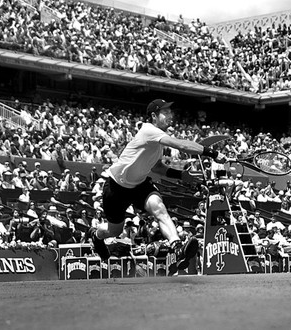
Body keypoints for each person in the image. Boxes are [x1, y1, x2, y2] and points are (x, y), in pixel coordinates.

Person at [88, 99, 224, 273]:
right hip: (116, 187)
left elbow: (158, 167)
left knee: (159, 208)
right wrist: (213, 153)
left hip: (139, 185)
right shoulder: (149, 130)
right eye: (165, 112)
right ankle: (96, 235)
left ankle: (177, 246)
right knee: (114, 230)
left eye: (170, 112)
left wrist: (181, 175)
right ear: (154, 116)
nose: (170, 116)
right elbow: (182, 145)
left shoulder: (157, 142)